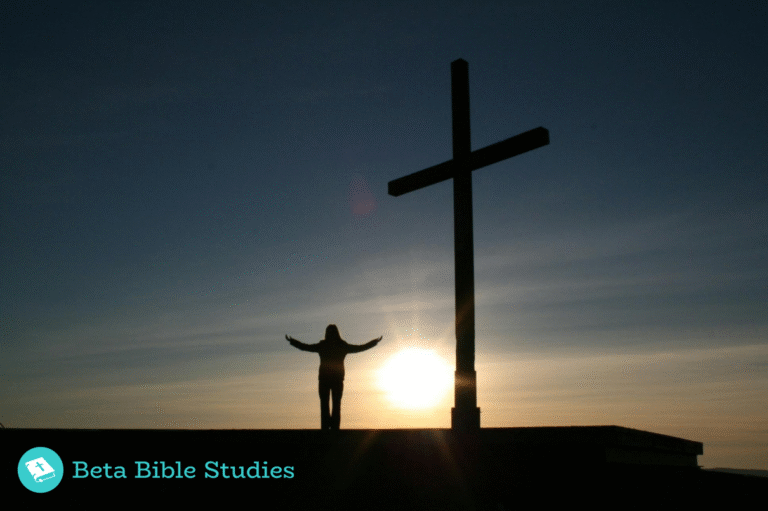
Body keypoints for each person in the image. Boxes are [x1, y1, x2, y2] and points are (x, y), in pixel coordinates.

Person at [286, 324, 382, 430]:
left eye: (332, 332)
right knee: (326, 406)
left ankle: (333, 429)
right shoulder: (327, 345)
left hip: (334, 380)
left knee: (334, 406)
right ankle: (327, 429)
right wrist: (293, 342)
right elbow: (306, 347)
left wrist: (373, 343)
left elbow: (359, 348)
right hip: (326, 380)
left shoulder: (339, 346)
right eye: (329, 332)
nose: (331, 334)